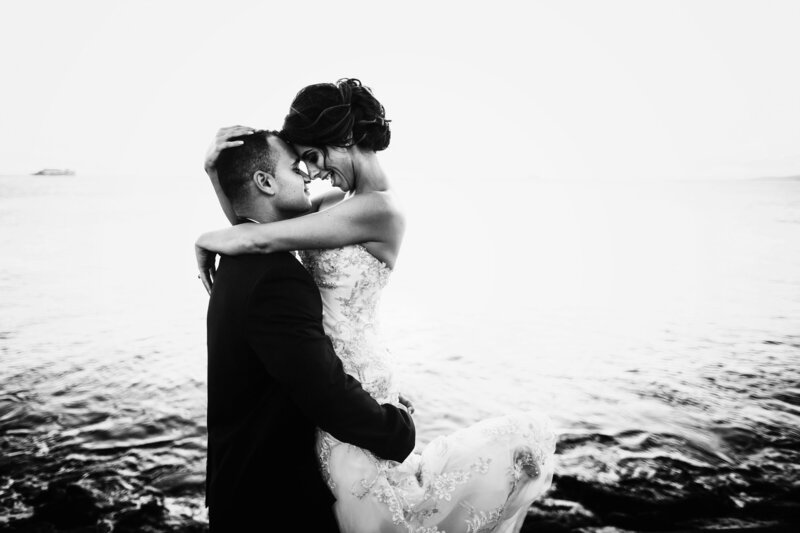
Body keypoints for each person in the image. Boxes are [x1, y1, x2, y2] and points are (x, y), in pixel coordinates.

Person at [197, 79, 556, 533]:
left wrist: (205, 239)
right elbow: (261, 215)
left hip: (351, 373)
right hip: (329, 373)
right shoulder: (332, 202)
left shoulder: (380, 210)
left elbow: (259, 238)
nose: (313, 173)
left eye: (313, 156)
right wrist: (217, 176)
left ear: (346, 139)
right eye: (302, 163)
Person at [203, 129, 416, 532]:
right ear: (265, 182)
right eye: (296, 167)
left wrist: (216, 177)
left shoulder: (238, 260)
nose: (308, 175)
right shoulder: (276, 277)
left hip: (239, 484)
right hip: (270, 501)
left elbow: (300, 368)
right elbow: (323, 390)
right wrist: (397, 429)